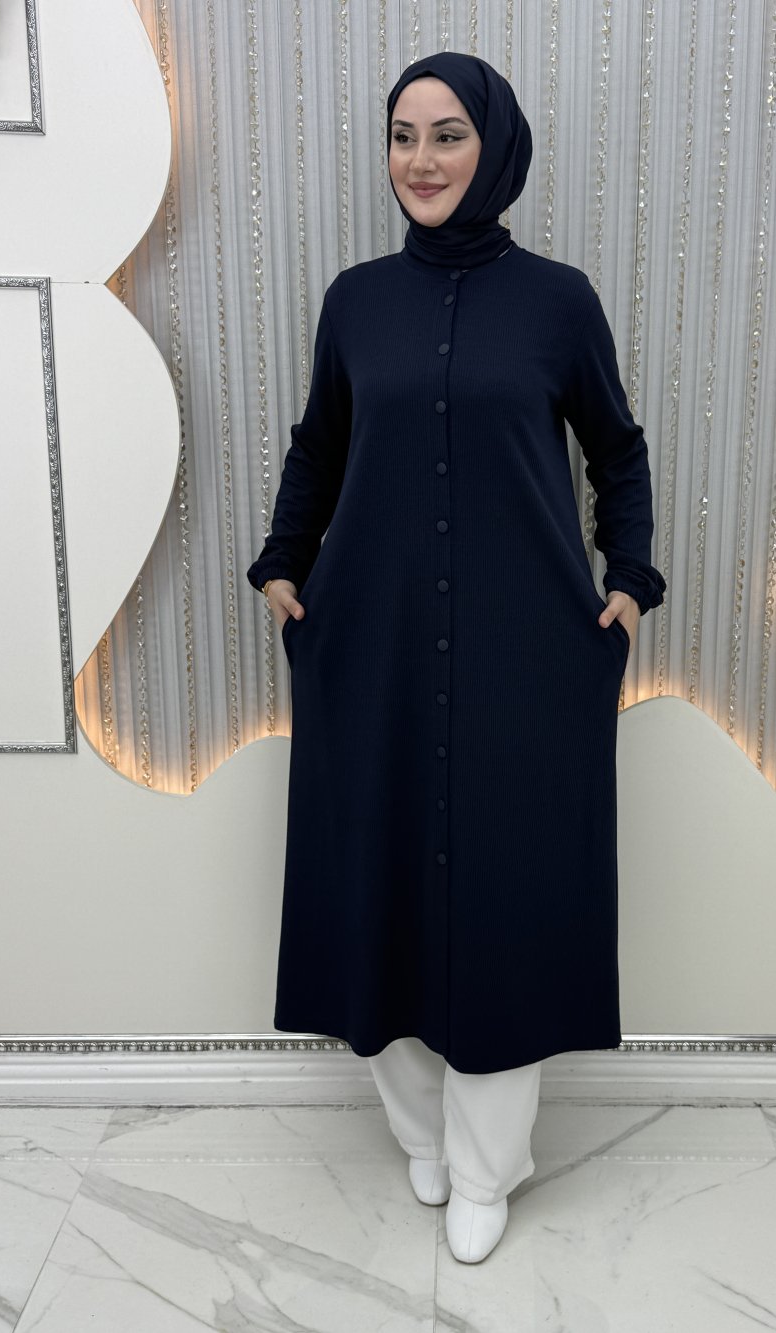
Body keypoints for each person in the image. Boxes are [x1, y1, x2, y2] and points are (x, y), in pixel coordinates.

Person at [246, 50, 665, 1263]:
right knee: (371, 888)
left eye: (446, 135)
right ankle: (420, 1134)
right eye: (402, 136)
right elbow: (319, 446)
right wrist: (282, 563)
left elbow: (618, 451)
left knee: (507, 903)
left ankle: (487, 1164)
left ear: (495, 147)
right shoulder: (354, 302)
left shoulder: (559, 303)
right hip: (366, 638)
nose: (420, 160)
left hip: (525, 650)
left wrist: (629, 579)